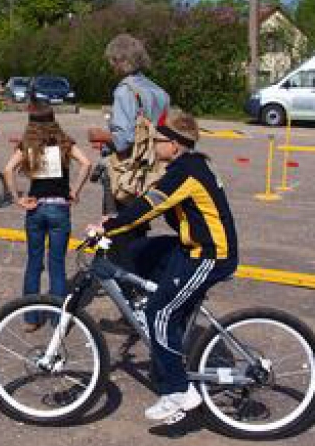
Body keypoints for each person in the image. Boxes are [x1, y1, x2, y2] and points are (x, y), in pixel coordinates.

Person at [88, 111, 238, 422]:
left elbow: (150, 206)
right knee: (140, 253)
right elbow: (159, 203)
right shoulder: (187, 166)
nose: (154, 144)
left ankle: (178, 391)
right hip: (190, 246)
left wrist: (111, 226)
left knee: (161, 311)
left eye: (158, 140)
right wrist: (117, 224)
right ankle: (165, 327)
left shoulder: (185, 172)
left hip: (209, 255)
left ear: (174, 144)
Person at [4, 104, 93, 332]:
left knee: (34, 263)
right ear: (54, 120)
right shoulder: (64, 143)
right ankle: (58, 320)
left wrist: (18, 198)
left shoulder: (28, 144)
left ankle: (32, 318)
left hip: (36, 208)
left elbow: (8, 170)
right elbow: (87, 163)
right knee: (57, 265)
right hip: (59, 209)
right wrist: (75, 190)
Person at [93, 33, 171, 267]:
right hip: (152, 170)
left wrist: (99, 135)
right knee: (138, 224)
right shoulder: (159, 92)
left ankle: (123, 280)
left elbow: (123, 140)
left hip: (126, 172)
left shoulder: (125, 90)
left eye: (112, 61)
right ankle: (139, 275)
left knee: (118, 228)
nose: (111, 66)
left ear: (120, 60)